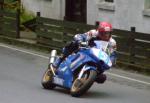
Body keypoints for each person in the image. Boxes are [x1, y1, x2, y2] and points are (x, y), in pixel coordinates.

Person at [52, 21, 117, 69]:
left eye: (108, 33)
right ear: (99, 32)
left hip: (98, 58)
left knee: (102, 78)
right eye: (104, 33)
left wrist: (111, 62)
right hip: (86, 50)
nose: (106, 35)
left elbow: (113, 55)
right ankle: (60, 59)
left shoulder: (112, 42)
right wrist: (80, 40)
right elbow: (81, 36)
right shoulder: (93, 33)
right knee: (74, 44)